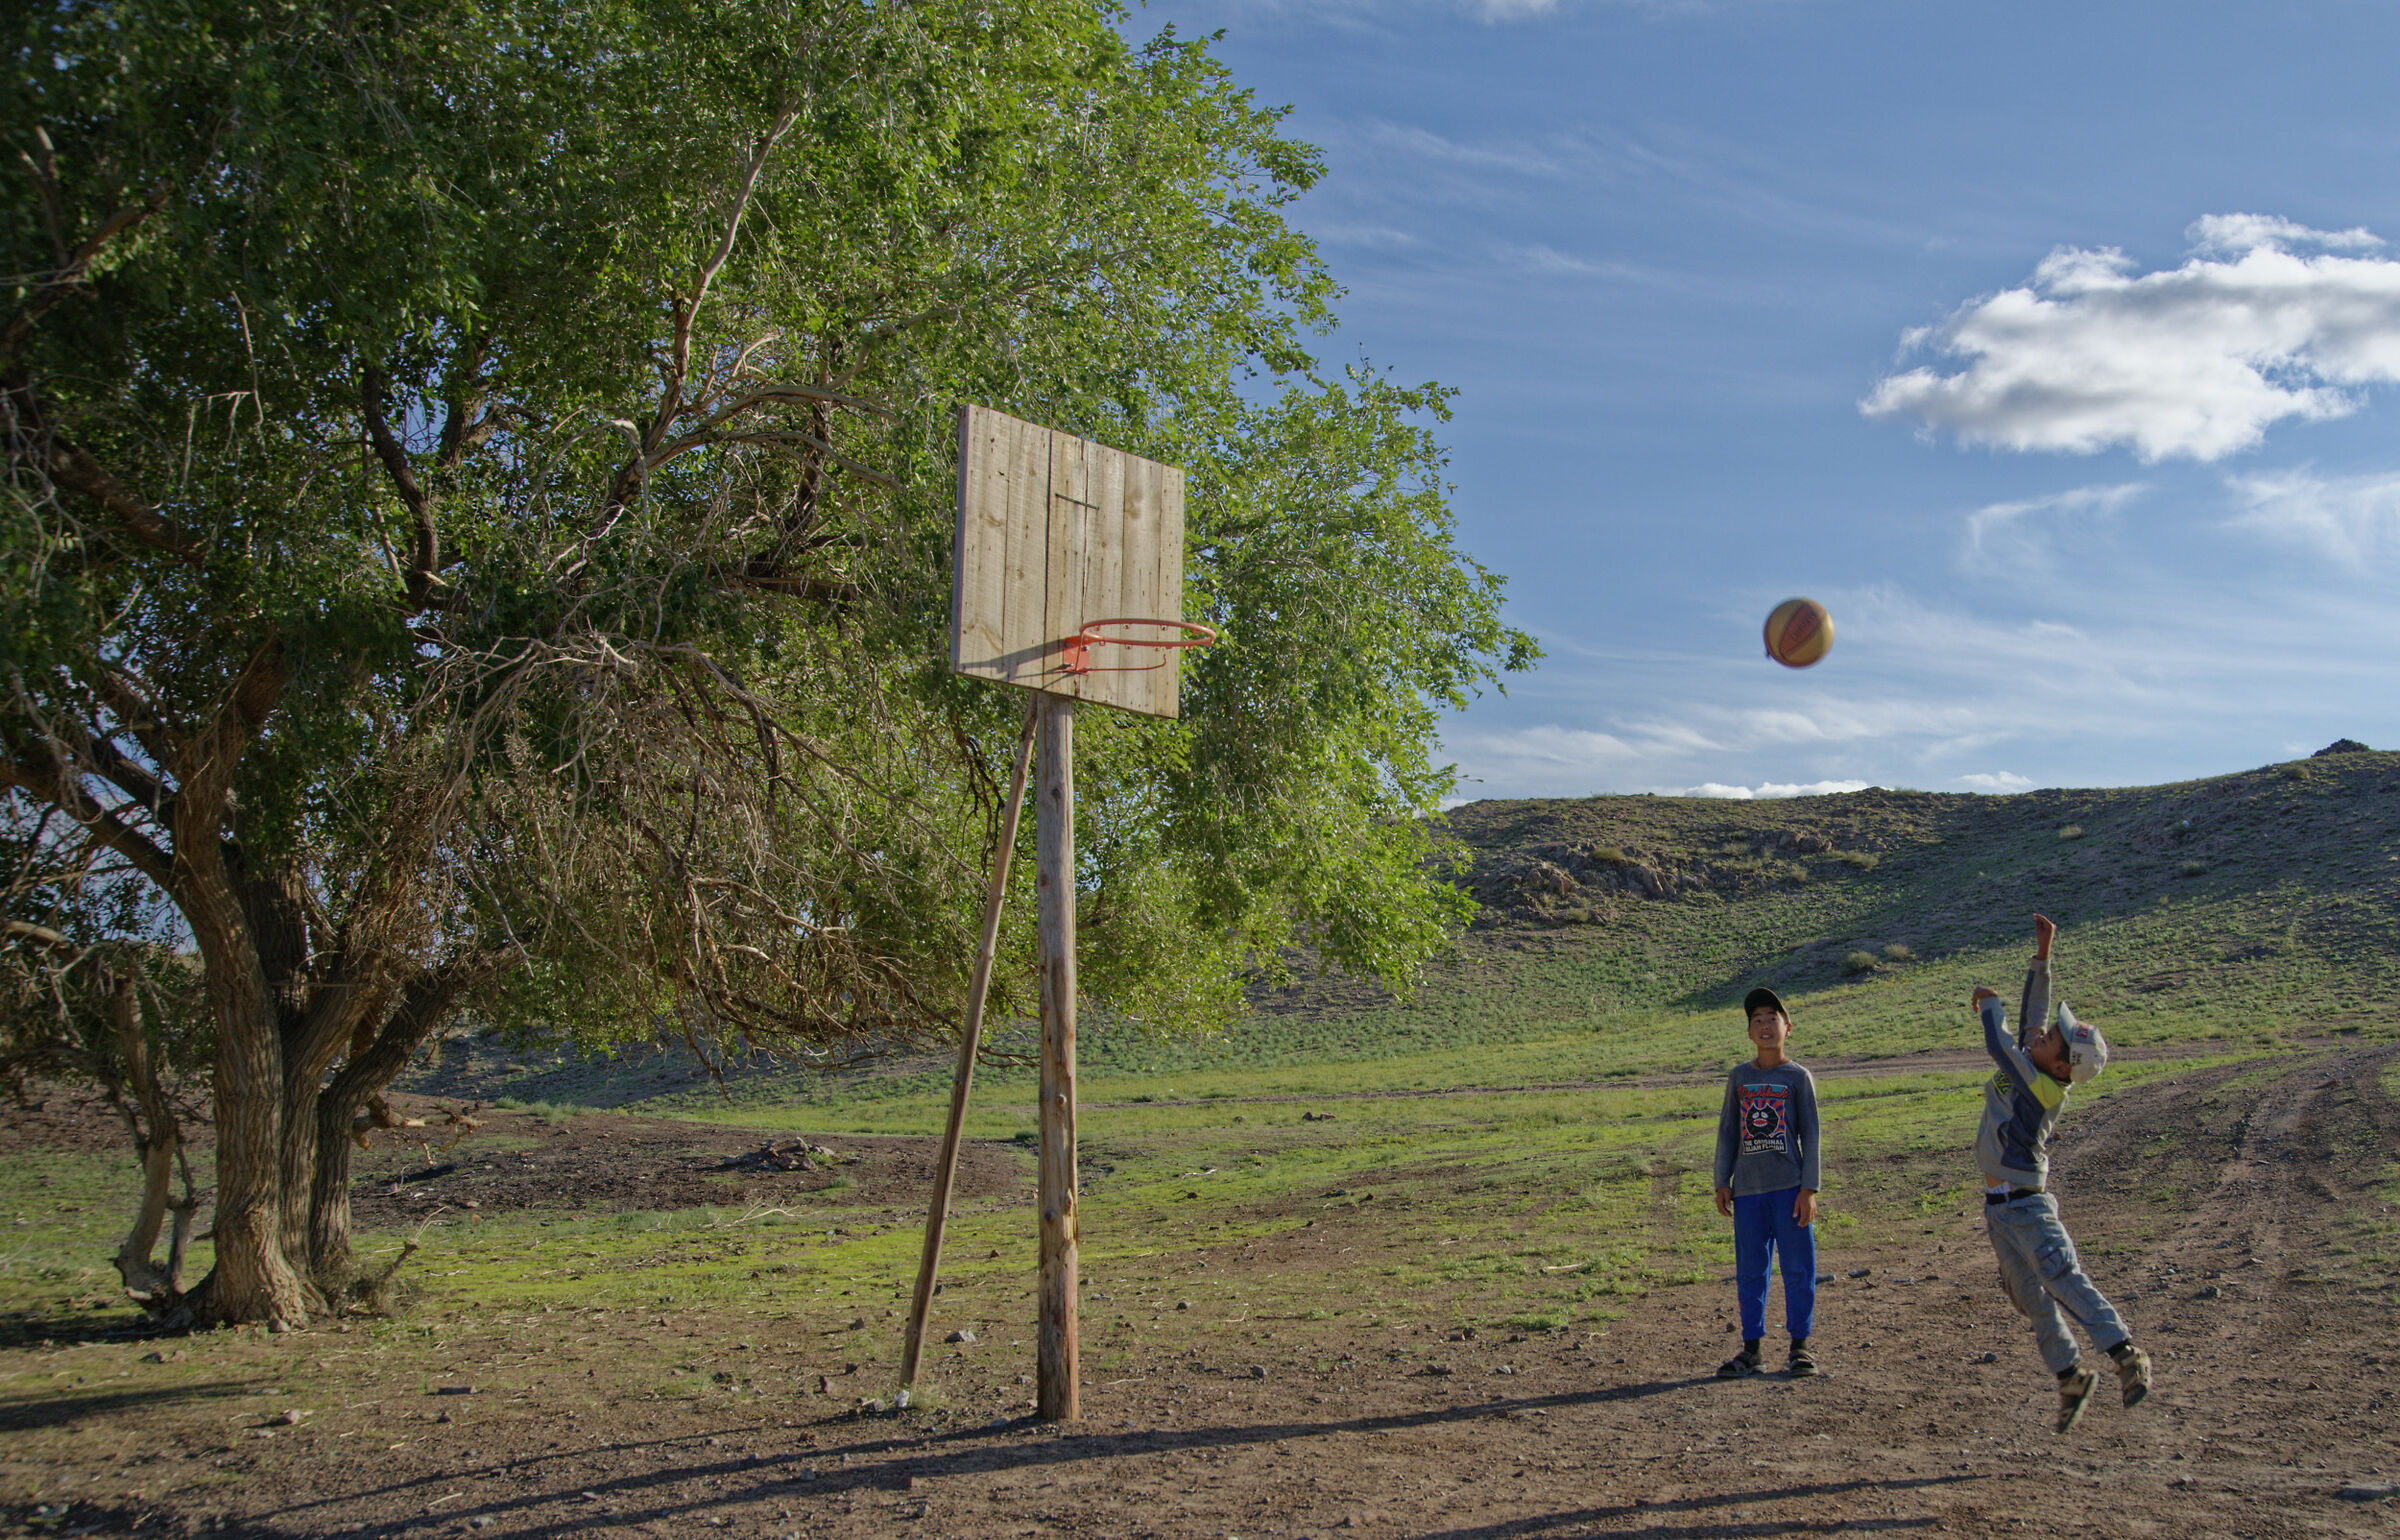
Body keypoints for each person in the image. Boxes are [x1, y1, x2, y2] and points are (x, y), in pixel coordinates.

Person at [1971, 913, 2153, 1433]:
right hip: (2000, 1210)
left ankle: (2125, 1352)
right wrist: (2042, 955)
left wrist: (1990, 1007)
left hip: (2026, 1205)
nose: (2045, 1034)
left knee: (2062, 1279)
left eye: (2053, 1038)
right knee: (2031, 1297)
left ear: (2061, 1067)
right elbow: (2033, 1019)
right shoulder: (2041, 1062)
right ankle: (2071, 1376)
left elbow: (2000, 1042)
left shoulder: (2041, 1085)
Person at [1712, 986, 1821, 1379]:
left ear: (1787, 1028)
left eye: (1771, 1019)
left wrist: (1809, 1188)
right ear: (1748, 1032)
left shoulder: (1797, 1077)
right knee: (1751, 1270)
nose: (1764, 1026)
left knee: (1798, 1268)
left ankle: (1799, 1348)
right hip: (1749, 1192)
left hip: (1790, 1190)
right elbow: (1727, 1133)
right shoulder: (1739, 1077)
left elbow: (1811, 1134)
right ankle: (1751, 1348)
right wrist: (1721, 1180)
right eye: (1756, 1020)